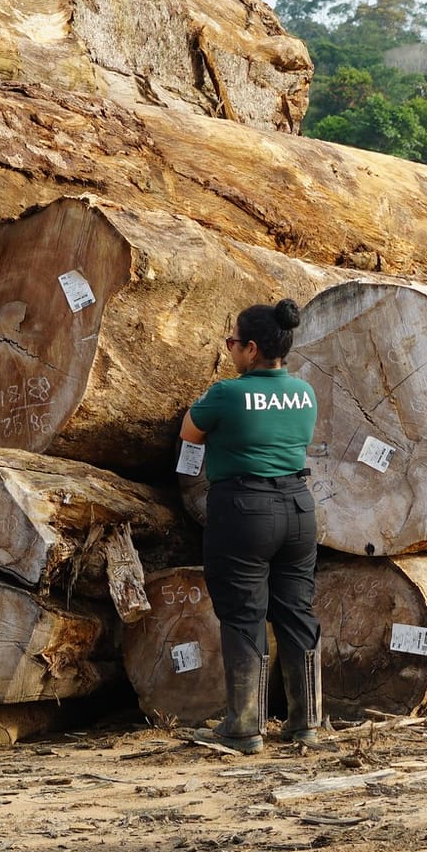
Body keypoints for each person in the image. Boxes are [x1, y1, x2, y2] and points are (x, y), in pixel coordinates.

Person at [179, 299, 328, 755]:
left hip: (244, 509)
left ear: (252, 348)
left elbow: (189, 433)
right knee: (296, 611)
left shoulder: (227, 392)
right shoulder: (306, 393)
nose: (230, 350)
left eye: (233, 343)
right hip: (299, 509)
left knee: (244, 614)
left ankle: (245, 726)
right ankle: (308, 724)